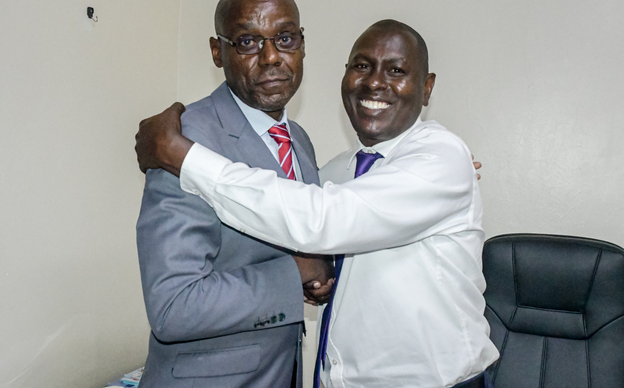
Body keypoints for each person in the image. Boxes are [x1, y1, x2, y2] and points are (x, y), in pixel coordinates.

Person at [136, 20, 499, 388]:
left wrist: (183, 157)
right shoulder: (337, 172)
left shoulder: (440, 157)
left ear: (427, 87)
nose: (374, 82)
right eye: (362, 66)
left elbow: (321, 220)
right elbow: (303, 221)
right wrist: (315, 277)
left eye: (396, 70)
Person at [135, 0, 334, 388]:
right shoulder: (185, 141)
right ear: (217, 51)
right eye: (247, 41)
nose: (271, 57)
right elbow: (174, 306)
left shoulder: (297, 139)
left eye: (285, 38)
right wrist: (294, 274)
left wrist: (317, 276)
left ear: (302, 44)